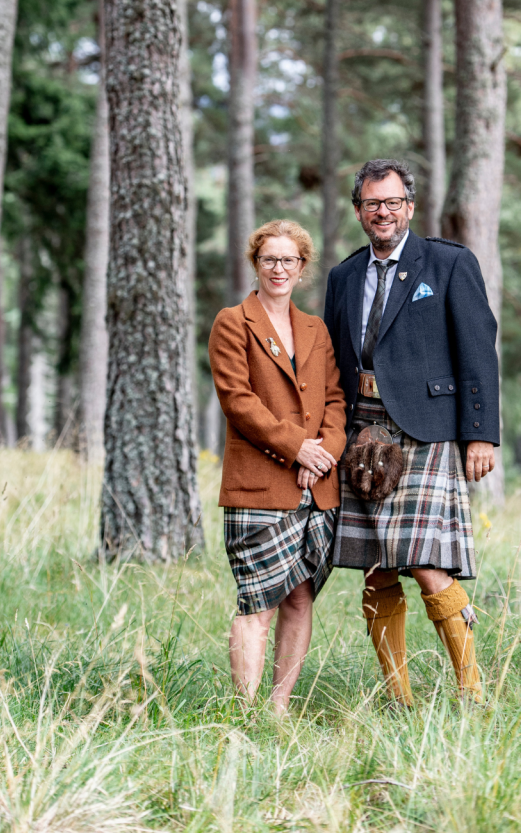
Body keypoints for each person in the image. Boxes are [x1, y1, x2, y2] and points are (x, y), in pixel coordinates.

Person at [324, 159, 500, 705]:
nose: (384, 212)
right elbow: (332, 360)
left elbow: (478, 349)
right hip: (362, 433)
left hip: (425, 430)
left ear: (410, 207)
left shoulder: (447, 263)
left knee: (425, 562)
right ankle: (398, 697)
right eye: (373, 203)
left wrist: (480, 433)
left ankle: (471, 688)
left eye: (393, 202)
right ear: (358, 210)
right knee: (377, 567)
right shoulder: (343, 276)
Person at [209, 220, 347, 713]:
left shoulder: (316, 329)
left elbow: (335, 400)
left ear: (303, 268)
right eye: (270, 259)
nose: (279, 269)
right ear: (256, 263)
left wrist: (324, 452)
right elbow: (238, 402)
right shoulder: (232, 321)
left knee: (299, 599)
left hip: (316, 488)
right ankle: (245, 714)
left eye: (289, 260)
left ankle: (278, 708)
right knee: (257, 603)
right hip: (260, 485)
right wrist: (297, 449)